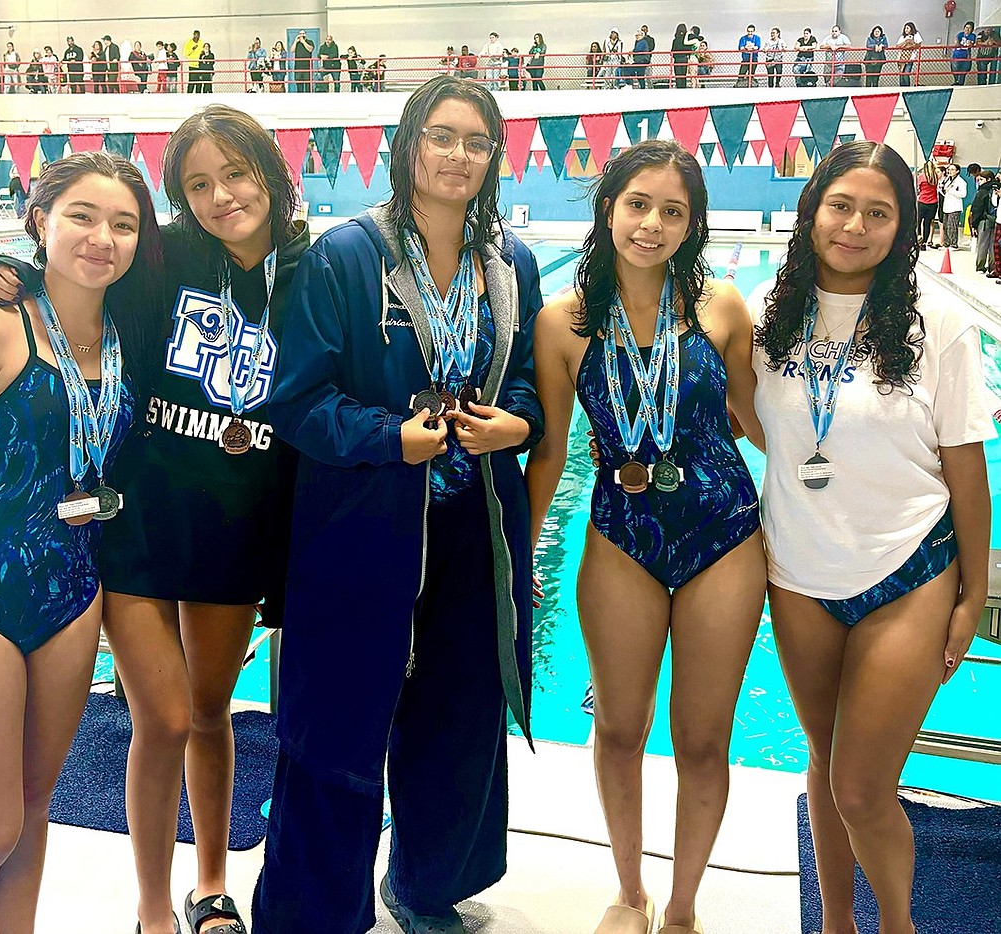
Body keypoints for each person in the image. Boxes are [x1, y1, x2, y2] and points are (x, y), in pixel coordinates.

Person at [0, 105, 309, 934]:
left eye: (236, 173)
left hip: (238, 532)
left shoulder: (313, 270)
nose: (222, 195)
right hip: (141, 524)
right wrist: (3, 270)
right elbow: (87, 268)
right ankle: (153, 910)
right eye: (198, 184)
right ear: (180, 198)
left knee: (210, 713)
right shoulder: (170, 257)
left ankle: (210, 885)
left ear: (271, 171)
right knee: (160, 718)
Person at [253, 73, 542, 934]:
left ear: (495, 158)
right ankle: (313, 913)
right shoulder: (346, 256)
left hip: (473, 526)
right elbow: (293, 398)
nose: (459, 155)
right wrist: (389, 439)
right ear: (408, 144)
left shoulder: (511, 265)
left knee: (461, 714)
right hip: (366, 525)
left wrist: (515, 424)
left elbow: (523, 377)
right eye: (441, 136)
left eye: (477, 141)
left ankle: (424, 886)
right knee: (337, 724)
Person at [0, 151, 160, 934]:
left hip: (73, 597)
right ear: (41, 222)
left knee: (35, 805)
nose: (102, 238)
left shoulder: (127, 343)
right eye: (82, 216)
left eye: (122, 224)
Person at [752, 139, 993, 934]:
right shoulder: (764, 314)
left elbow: (967, 470)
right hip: (797, 575)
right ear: (812, 211)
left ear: (903, 225)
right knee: (824, 768)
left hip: (909, 571)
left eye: (878, 213)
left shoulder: (942, 322)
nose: (855, 226)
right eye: (841, 206)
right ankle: (836, 924)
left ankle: (897, 924)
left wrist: (971, 597)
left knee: (861, 786)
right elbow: (740, 419)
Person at [527, 138, 765, 934]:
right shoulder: (562, 323)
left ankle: (685, 909)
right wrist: (520, 556)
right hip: (620, 535)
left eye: (673, 212)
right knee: (620, 726)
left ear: (692, 226)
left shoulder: (722, 307)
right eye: (638, 205)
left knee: (703, 741)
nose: (652, 225)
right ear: (607, 209)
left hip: (723, 535)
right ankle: (629, 893)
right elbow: (553, 451)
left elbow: (763, 426)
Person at [970, 170, 998, 274]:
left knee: (982, 244)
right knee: (993, 245)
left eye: (981, 179)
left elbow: (977, 209)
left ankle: (980, 266)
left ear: (988, 179)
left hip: (984, 221)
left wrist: (974, 224)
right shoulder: (997, 190)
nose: (980, 182)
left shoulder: (982, 192)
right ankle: (993, 267)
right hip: (996, 220)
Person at [938, 162, 967, 249]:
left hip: (955, 207)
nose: (950, 171)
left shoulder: (961, 182)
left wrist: (951, 191)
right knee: (946, 226)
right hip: (946, 206)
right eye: (949, 169)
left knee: (952, 226)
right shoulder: (947, 180)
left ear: (957, 171)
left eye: (952, 169)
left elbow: (963, 194)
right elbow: (945, 191)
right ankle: (947, 243)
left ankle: (954, 244)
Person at [916, 159, 941, 249]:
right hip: (933, 203)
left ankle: (918, 236)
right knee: (927, 224)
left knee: (918, 221)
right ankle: (924, 243)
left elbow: (917, 186)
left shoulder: (922, 177)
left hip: (923, 202)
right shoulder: (935, 177)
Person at [894, 22, 922, 87]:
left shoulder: (916, 35)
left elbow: (919, 44)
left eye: (907, 28)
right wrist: (906, 42)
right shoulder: (902, 37)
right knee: (901, 74)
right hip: (901, 58)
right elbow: (897, 46)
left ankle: (907, 88)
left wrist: (911, 44)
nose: (906, 30)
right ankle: (901, 88)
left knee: (906, 73)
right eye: (905, 28)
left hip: (910, 58)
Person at [671, 24, 696, 88]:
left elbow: (672, 51)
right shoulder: (686, 40)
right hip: (684, 58)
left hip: (677, 59)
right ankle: (683, 88)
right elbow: (689, 50)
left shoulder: (675, 40)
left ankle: (679, 88)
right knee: (683, 75)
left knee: (678, 76)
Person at [951, 21, 976, 85]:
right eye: (966, 27)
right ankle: (956, 81)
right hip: (957, 54)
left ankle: (960, 83)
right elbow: (956, 40)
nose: (967, 29)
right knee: (955, 69)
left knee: (963, 70)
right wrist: (957, 42)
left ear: (972, 30)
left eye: (969, 28)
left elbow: (971, 43)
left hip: (965, 55)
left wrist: (970, 44)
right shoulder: (960, 34)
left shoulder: (972, 36)